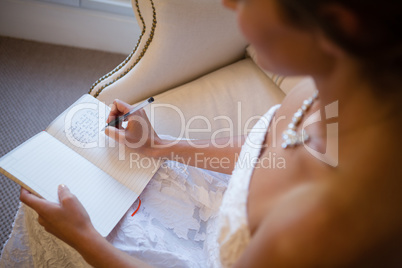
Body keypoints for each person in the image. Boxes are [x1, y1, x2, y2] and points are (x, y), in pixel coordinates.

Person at [3, 0, 402, 266]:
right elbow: (266, 152)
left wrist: (85, 238)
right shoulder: (329, 91)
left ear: (335, 24)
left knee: (53, 218)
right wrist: (163, 146)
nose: (228, 4)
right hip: (225, 206)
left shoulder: (309, 231)